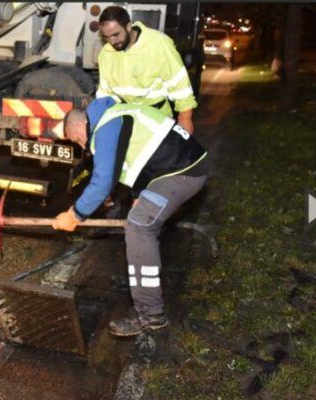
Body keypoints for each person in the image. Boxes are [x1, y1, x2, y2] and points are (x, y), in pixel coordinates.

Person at [52, 97, 208, 337]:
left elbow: (103, 181)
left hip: (182, 173)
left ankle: (151, 313)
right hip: (176, 169)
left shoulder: (107, 125)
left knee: (138, 226)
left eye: (77, 138)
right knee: (139, 218)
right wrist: (137, 193)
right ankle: (147, 279)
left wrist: (75, 215)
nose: (82, 145)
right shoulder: (117, 114)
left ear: (83, 124)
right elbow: (142, 158)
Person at [97, 6, 197, 134]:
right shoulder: (106, 53)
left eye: (116, 34)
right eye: (107, 37)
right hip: (127, 121)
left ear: (128, 26)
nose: (112, 41)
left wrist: (185, 119)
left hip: (158, 122)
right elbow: (105, 93)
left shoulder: (157, 43)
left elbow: (180, 86)